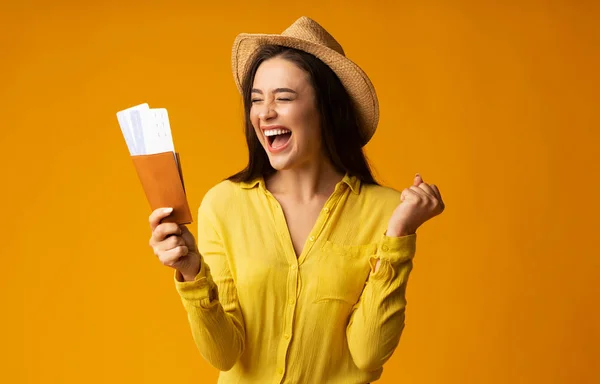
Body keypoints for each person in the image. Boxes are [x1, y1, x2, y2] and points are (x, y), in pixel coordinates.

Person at [148, 16, 444, 384]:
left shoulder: (387, 211)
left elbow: (368, 353)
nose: (265, 112)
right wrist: (192, 272)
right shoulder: (223, 205)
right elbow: (223, 354)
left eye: (283, 98)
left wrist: (399, 234)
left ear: (327, 109)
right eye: (256, 100)